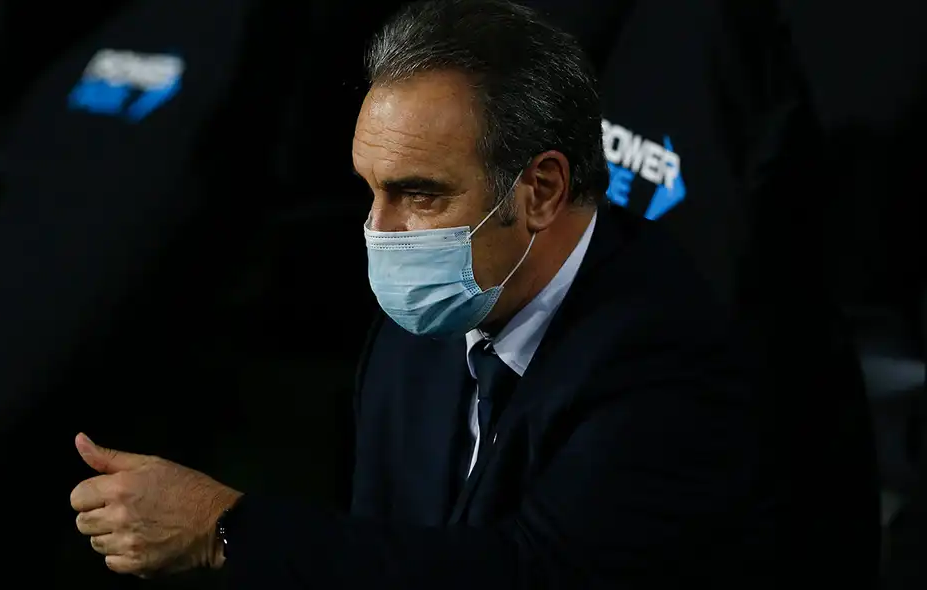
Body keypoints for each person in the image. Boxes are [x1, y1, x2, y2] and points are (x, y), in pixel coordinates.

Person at [68, 0, 778, 586]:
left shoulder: (666, 346)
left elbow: (540, 573)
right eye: (370, 190)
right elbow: (382, 551)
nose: (380, 230)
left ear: (541, 189)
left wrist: (225, 528)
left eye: (419, 194)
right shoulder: (421, 328)